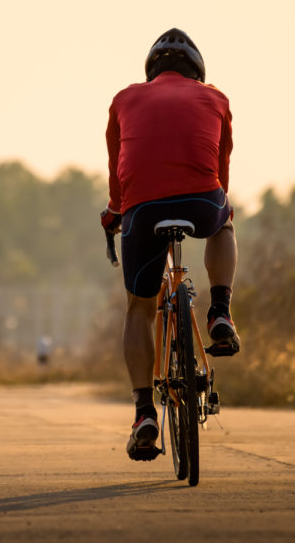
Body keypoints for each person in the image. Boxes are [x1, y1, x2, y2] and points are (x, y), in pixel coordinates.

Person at [101, 28, 238, 461]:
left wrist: (114, 213)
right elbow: (221, 170)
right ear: (196, 71)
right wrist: (218, 205)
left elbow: (117, 169)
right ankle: (220, 311)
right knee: (224, 224)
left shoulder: (125, 99)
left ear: (151, 70)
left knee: (139, 308)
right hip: (201, 201)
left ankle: (144, 412)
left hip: (141, 210)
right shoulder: (215, 99)